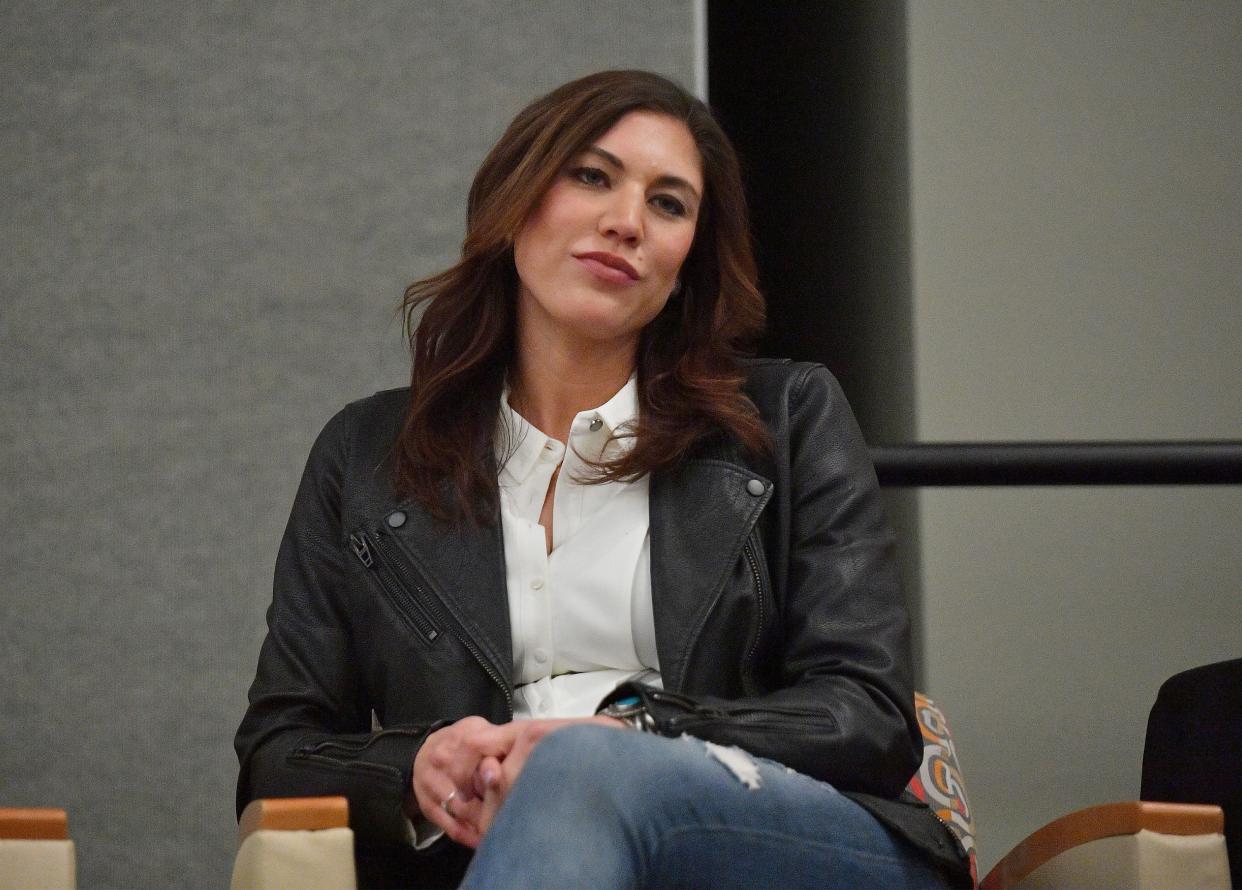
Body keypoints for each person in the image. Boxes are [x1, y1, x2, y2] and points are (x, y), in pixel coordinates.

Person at [235, 70, 971, 889]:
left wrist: (635, 733)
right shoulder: (365, 451)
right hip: (487, 855)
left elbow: (866, 715)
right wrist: (417, 768)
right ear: (516, 200)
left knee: (581, 766)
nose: (626, 223)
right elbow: (280, 749)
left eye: (669, 203)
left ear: (688, 259)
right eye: (591, 176)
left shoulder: (788, 418)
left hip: (770, 836)